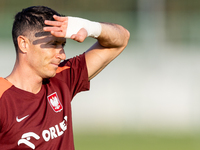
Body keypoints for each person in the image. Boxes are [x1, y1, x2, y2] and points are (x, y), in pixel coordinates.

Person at [0, 6, 130, 149]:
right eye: (53, 44)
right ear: (24, 44)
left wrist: (89, 26)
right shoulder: (3, 98)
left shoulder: (61, 78)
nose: (62, 55)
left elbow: (121, 40)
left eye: (62, 45)